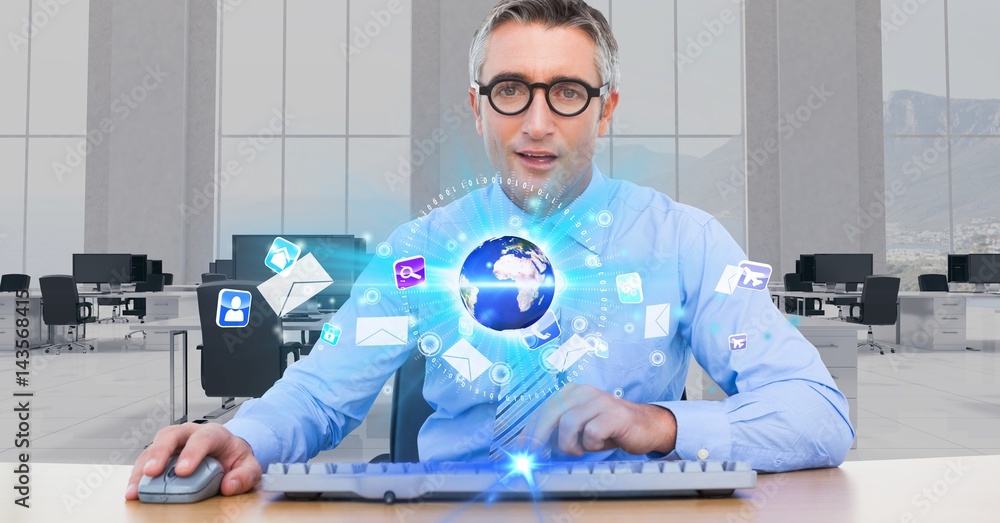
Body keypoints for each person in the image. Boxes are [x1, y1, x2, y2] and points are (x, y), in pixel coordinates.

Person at [126, 0, 853, 500]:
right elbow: (322, 389)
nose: (537, 123)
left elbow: (818, 414)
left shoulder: (685, 240)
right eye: (511, 90)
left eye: (567, 91)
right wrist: (244, 436)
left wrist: (658, 425)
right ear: (477, 105)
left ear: (607, 108)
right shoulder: (420, 252)